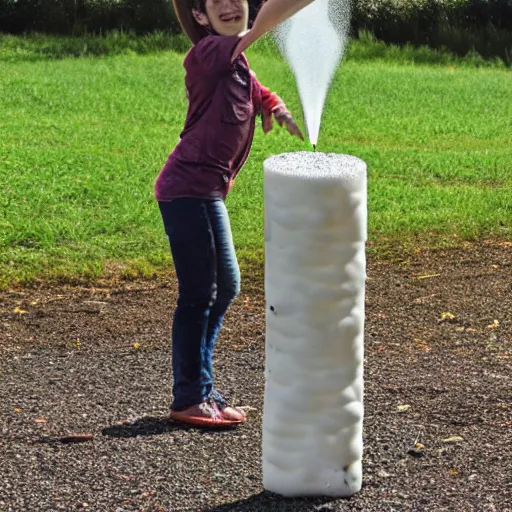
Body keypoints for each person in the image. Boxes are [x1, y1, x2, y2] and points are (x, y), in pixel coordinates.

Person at [155, 0, 304, 427]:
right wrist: (274, 14)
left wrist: (276, 107)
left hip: (207, 192)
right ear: (200, 17)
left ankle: (200, 389)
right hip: (189, 189)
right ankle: (189, 396)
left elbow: (256, 88)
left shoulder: (239, 61)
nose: (227, 3)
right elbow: (253, 34)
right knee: (201, 292)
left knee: (225, 287)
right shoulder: (207, 53)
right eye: (212, 1)